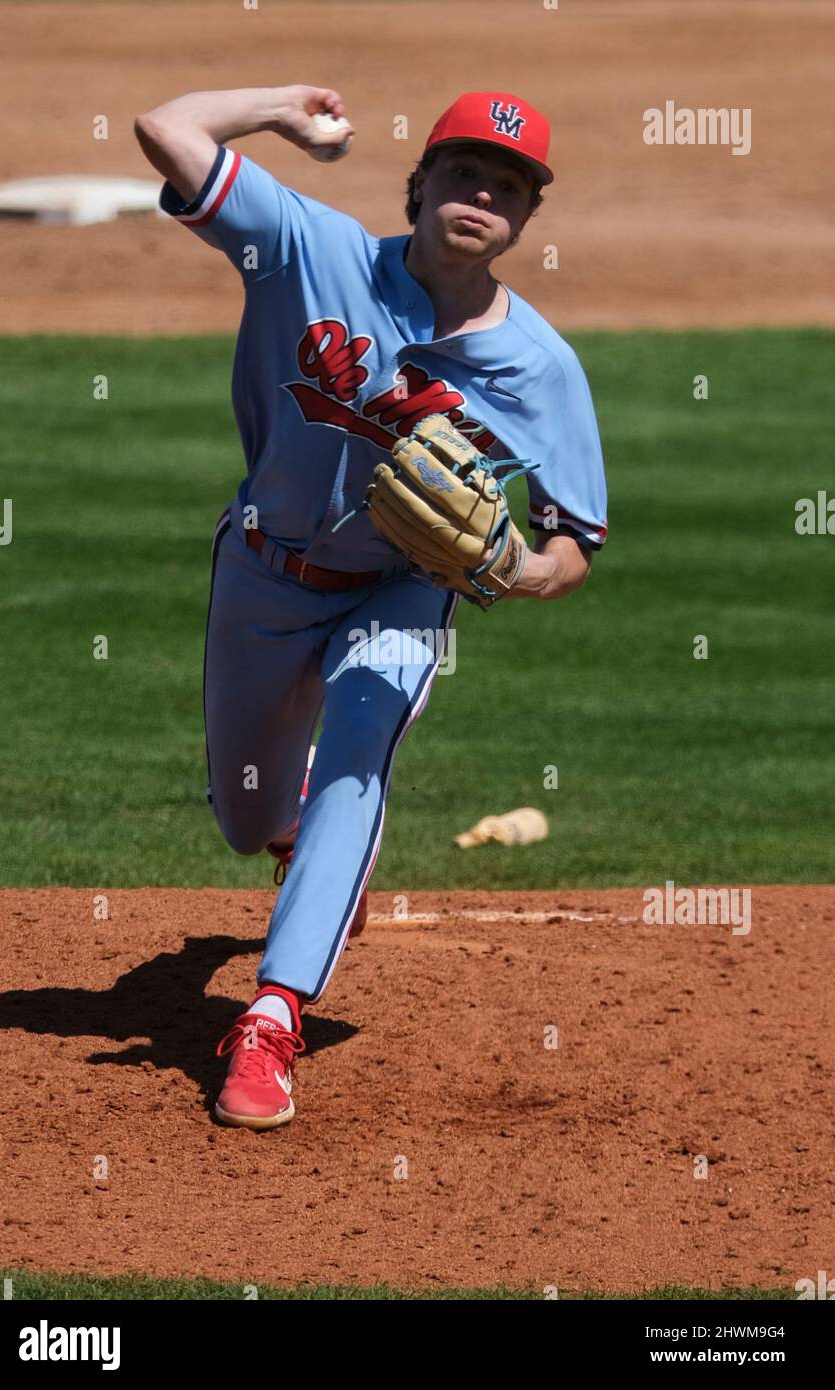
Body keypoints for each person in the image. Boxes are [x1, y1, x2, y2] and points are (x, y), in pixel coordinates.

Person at [134, 85, 608, 1130]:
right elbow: (167, 131)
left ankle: (271, 1019)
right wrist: (282, 113)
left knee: (359, 755)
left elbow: (574, 542)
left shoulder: (542, 369)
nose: (480, 197)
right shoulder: (310, 251)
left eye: (506, 187)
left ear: (526, 215)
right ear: (421, 184)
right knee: (246, 820)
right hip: (263, 572)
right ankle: (289, 826)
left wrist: (520, 569)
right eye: (462, 173)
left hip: (400, 593)